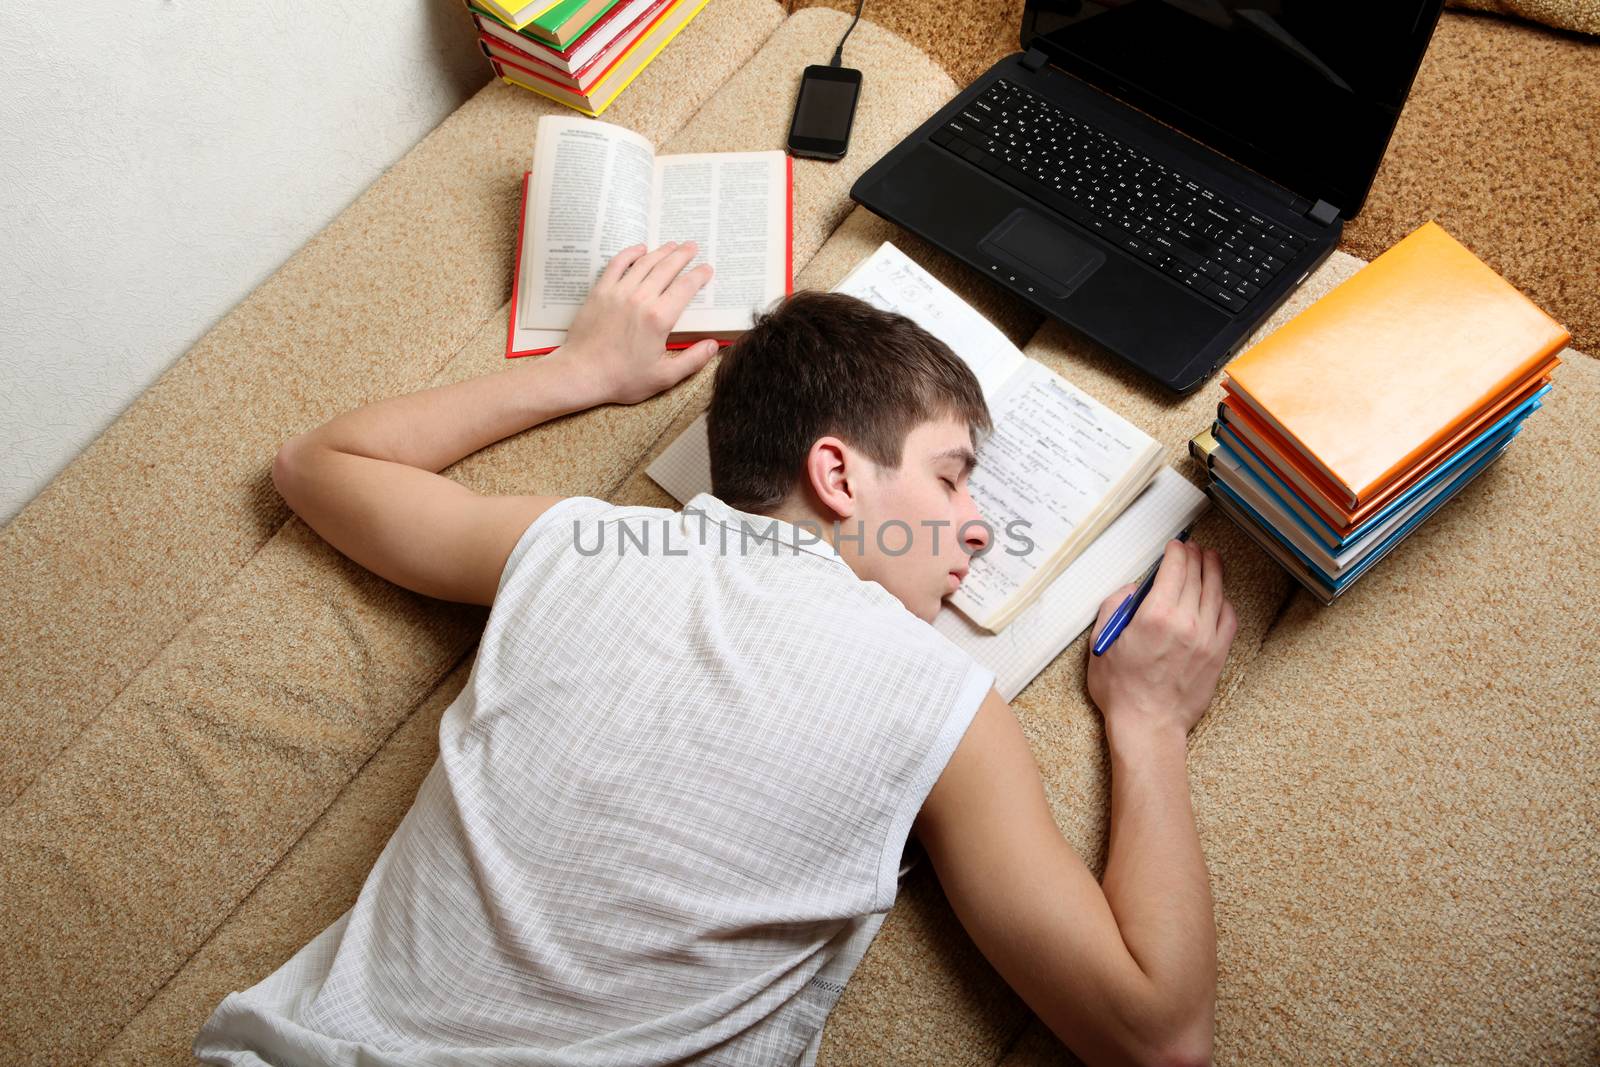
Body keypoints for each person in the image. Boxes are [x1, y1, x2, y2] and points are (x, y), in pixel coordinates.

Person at [194, 239, 1237, 1067]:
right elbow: (1156, 1033)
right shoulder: (943, 704)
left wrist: (579, 373)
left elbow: (319, 463)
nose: (974, 528)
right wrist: (1147, 727)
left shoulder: (580, 540)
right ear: (837, 471)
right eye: (952, 477)